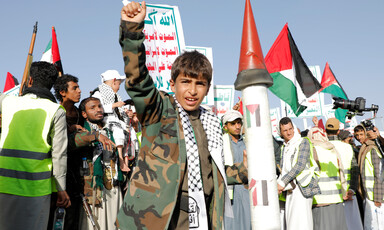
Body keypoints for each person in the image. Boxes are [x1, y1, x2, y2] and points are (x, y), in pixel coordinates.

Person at [117, 2, 248, 229]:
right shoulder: (160, 110)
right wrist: (132, 31)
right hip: (158, 218)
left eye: (200, 84)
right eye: (185, 82)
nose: (192, 90)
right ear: (172, 84)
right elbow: (137, 80)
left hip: (202, 216)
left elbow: (210, 172)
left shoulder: (211, 123)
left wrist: (244, 170)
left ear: (207, 88)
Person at [0, 61, 71, 230]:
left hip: (3, 184)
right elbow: (59, 154)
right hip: (37, 189)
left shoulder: (6, 102)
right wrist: (61, 189)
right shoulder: (57, 110)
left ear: (30, 81)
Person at [76, 97, 124, 230]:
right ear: (84, 114)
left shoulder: (112, 129)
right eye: (93, 107)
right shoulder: (83, 131)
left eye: (100, 106)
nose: (98, 110)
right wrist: (95, 136)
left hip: (112, 185)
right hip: (93, 187)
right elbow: (74, 142)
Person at [53, 74, 85, 230]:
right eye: (75, 88)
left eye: (78, 87)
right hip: (59, 170)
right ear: (62, 92)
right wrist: (67, 130)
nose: (79, 91)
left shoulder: (81, 114)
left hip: (77, 170)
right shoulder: (55, 112)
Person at [277, 117, 320, 230]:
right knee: (292, 224)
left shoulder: (303, 141)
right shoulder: (284, 147)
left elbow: (299, 165)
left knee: (302, 223)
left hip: (302, 188)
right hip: (289, 189)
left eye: (291, 128)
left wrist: (282, 182)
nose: (289, 132)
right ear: (280, 132)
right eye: (285, 130)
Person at [308, 119, 347, 230]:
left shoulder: (311, 150)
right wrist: (344, 192)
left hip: (320, 200)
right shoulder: (332, 149)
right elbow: (341, 174)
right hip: (337, 199)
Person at [323, 118, 362, 230]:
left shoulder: (320, 147)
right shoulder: (348, 147)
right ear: (338, 131)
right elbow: (355, 171)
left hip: (331, 197)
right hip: (349, 195)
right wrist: (352, 190)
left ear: (325, 131)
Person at [91, 69, 129, 173]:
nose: (119, 87)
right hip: (105, 120)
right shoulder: (98, 92)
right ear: (114, 81)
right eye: (118, 84)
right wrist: (115, 105)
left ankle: (125, 160)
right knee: (117, 131)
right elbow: (97, 108)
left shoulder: (115, 95)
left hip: (116, 120)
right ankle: (121, 160)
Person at [222, 110, 251, 230]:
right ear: (225, 126)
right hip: (230, 191)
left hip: (246, 190)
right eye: (233, 123)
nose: (237, 126)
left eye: (239, 123)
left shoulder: (248, 142)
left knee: (248, 223)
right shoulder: (221, 142)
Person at [357, 122, 384, 229]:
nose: (359, 138)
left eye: (361, 134)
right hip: (369, 195)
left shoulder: (372, 149)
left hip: (375, 197)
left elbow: (379, 175)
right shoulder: (365, 147)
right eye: (357, 135)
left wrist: (378, 197)